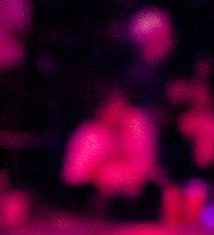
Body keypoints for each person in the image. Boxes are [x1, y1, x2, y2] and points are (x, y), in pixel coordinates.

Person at [62, 87, 159, 219]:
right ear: (102, 110)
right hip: (97, 198)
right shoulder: (89, 135)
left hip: (134, 198)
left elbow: (146, 168)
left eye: (122, 110)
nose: (119, 115)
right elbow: (74, 177)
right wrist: (104, 159)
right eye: (113, 109)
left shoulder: (135, 128)